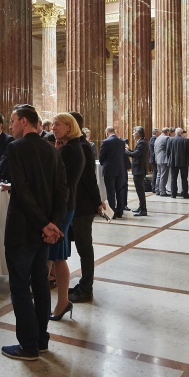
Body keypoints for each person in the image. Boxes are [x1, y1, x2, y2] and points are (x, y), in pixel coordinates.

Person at [1, 104, 67, 361]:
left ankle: (28, 346)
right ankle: (41, 340)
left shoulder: (15, 148)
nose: (11, 125)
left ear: (25, 122)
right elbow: (63, 192)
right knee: (40, 283)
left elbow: (22, 190)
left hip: (23, 229)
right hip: (44, 233)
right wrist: (53, 224)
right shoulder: (52, 151)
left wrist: (44, 224)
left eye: (13, 120)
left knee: (19, 286)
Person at [49, 113, 85, 322]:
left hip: (62, 208)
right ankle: (60, 301)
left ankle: (62, 302)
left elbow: (60, 182)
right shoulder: (68, 148)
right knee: (54, 256)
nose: (54, 128)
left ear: (70, 128)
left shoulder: (70, 151)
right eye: (53, 124)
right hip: (64, 206)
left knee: (57, 256)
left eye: (58, 125)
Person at [68, 112, 104, 304]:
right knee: (81, 246)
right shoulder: (76, 145)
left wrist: (98, 202)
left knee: (84, 247)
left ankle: (86, 287)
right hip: (77, 203)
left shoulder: (82, 146)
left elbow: (90, 178)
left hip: (83, 206)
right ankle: (83, 284)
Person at [99, 126, 128, 218]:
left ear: (106, 133)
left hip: (109, 170)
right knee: (120, 191)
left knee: (110, 191)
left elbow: (101, 156)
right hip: (120, 170)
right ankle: (120, 212)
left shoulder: (106, 142)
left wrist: (103, 162)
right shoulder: (121, 142)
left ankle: (112, 213)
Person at [125, 126, 148, 215]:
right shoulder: (141, 142)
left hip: (139, 169)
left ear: (138, 134)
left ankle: (143, 209)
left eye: (134, 132)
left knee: (140, 190)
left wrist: (125, 151)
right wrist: (128, 150)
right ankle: (141, 207)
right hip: (138, 169)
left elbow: (135, 154)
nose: (133, 134)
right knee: (139, 190)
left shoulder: (142, 143)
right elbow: (135, 153)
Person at [167, 127, 189, 199]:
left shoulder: (171, 140)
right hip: (184, 162)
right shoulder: (186, 140)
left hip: (173, 162)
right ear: (181, 133)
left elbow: (168, 151)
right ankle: (185, 194)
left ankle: (173, 194)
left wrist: (170, 158)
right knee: (184, 179)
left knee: (173, 178)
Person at [154, 127, 170, 197]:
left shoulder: (157, 138)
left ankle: (157, 190)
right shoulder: (166, 138)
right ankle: (162, 191)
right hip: (164, 159)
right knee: (164, 175)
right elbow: (168, 149)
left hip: (158, 159)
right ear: (167, 132)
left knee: (159, 175)